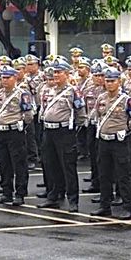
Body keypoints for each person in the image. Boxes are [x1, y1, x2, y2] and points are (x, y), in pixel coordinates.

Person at [37, 59, 87, 213]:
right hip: (48, 131)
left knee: (68, 166)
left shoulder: (73, 91)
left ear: (67, 74)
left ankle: (73, 199)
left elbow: (81, 114)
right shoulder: (48, 90)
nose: (56, 75)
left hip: (64, 132)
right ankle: (54, 195)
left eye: (59, 72)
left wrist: (72, 131)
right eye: (55, 72)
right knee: (51, 164)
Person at [90, 67, 131, 219]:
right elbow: (97, 115)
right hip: (104, 140)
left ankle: (127, 207)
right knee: (104, 174)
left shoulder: (127, 100)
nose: (109, 84)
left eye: (113, 81)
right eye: (107, 81)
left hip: (119, 141)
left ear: (119, 82)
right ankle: (105, 205)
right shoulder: (102, 98)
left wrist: (125, 130)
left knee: (123, 174)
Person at [0, 66, 34, 206]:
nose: (4, 80)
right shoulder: (0, 93)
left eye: (8, 77)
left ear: (15, 78)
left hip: (15, 131)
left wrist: (21, 125)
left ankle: (20, 193)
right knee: (4, 163)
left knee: (19, 163)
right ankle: (6, 192)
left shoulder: (22, 94)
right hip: (1, 131)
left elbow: (28, 115)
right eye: (3, 77)